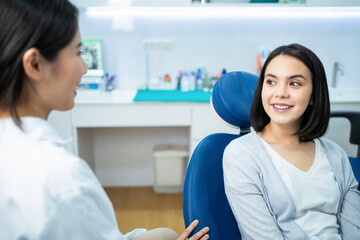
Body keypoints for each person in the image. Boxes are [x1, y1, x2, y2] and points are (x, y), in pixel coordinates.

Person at [0, 1, 209, 240]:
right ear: (35, 64)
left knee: (165, 234)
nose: (85, 68)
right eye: (78, 53)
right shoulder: (61, 179)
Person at [223, 44, 360, 240]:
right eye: (271, 82)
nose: (280, 93)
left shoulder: (335, 154)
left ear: (313, 95)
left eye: (294, 83)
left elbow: (354, 231)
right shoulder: (241, 155)